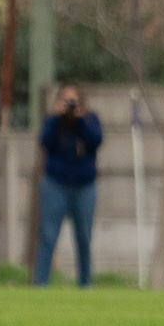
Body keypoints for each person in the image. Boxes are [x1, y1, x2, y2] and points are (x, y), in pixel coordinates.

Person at [35, 84, 103, 288]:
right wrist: (58, 117)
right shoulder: (52, 122)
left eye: (74, 102)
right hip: (55, 185)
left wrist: (80, 121)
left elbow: (96, 141)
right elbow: (45, 141)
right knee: (48, 237)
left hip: (84, 187)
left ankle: (85, 285)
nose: (71, 106)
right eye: (67, 101)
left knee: (84, 239)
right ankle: (40, 286)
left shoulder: (91, 120)